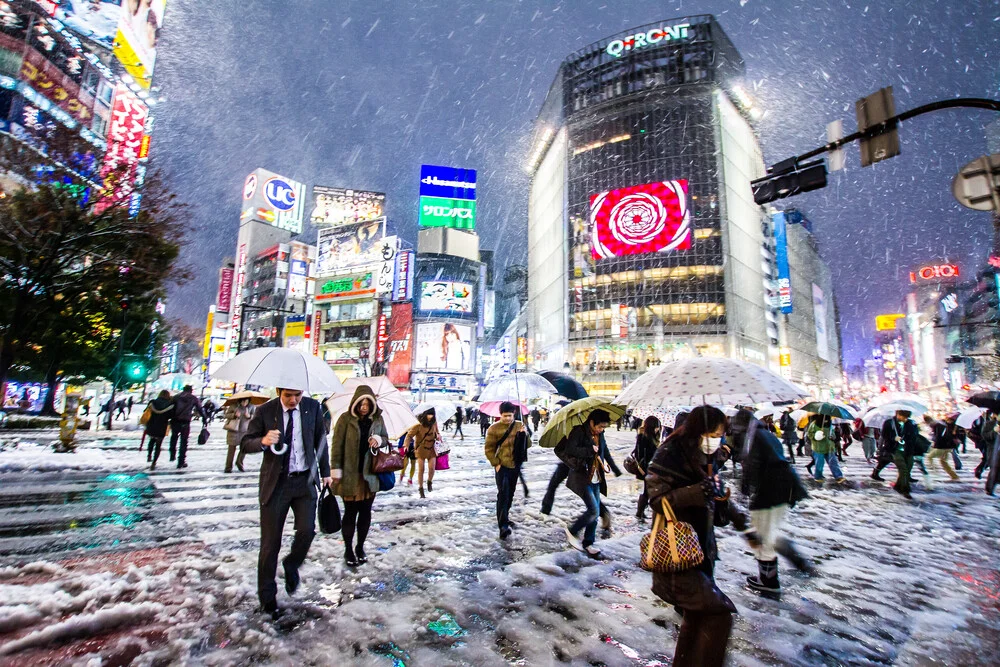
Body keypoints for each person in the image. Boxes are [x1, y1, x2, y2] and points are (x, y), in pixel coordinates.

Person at [645, 405, 746, 667]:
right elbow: (656, 499)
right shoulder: (670, 453)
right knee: (719, 614)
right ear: (698, 431)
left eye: (720, 434)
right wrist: (697, 491)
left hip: (701, 551)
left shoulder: (704, 458)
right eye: (712, 433)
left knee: (696, 617)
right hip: (678, 552)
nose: (716, 439)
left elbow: (713, 508)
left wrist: (721, 499)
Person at [241, 387, 331, 619]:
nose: (293, 400)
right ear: (280, 392)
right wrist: (262, 440)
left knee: (307, 530)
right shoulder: (265, 411)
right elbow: (245, 443)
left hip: (305, 482)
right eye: (288, 396)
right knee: (270, 544)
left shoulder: (312, 408)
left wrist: (326, 472)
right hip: (276, 484)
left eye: (297, 396)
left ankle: (292, 564)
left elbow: (321, 441)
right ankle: (267, 598)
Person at [731, 409, 811, 596]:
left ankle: (768, 580)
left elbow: (753, 464)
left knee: (762, 534)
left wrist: (745, 489)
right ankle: (791, 558)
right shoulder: (765, 432)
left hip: (768, 489)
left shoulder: (752, 436)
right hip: (783, 488)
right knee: (768, 531)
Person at [331, 386, 389, 567]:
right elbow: (336, 446)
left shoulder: (378, 420)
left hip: (369, 475)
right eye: (361, 403)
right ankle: (348, 549)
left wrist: (378, 440)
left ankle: (360, 547)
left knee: (365, 512)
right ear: (355, 403)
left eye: (367, 403)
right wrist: (336, 470)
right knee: (350, 513)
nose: (364, 407)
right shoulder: (345, 419)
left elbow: (386, 439)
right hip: (350, 474)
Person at [557, 409, 621, 559]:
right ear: (592, 422)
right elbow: (570, 449)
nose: (601, 430)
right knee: (593, 510)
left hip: (596, 476)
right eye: (600, 427)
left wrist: (614, 467)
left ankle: (588, 542)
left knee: (597, 511)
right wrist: (589, 450)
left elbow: (605, 451)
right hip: (582, 475)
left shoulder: (600, 434)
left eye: (604, 427)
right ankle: (573, 530)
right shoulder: (578, 431)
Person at [484, 401, 529, 540]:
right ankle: (502, 526)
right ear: (500, 415)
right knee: (503, 494)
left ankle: (506, 517)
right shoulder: (494, 428)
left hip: (515, 466)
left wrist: (524, 435)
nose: (508, 419)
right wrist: (496, 463)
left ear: (514, 414)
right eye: (505, 416)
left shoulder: (519, 425)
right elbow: (489, 449)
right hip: (502, 466)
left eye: (510, 416)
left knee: (510, 494)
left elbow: (527, 445)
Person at [880, 410, 919, 499]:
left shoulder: (911, 424)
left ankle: (898, 486)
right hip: (895, 449)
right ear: (897, 414)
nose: (904, 419)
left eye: (906, 417)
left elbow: (915, 436)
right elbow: (884, 435)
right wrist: (893, 438)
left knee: (908, 469)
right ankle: (905, 490)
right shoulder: (889, 423)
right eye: (902, 416)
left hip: (908, 450)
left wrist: (909, 430)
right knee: (903, 469)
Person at [405, 409, 440, 498]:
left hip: (432, 448)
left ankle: (429, 481)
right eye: (429, 414)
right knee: (421, 469)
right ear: (425, 414)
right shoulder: (418, 424)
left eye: (432, 415)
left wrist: (438, 436)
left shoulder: (434, 423)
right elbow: (409, 435)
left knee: (432, 468)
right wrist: (406, 445)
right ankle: (421, 488)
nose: (430, 417)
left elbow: (437, 432)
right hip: (420, 449)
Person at [169, 385, 206, 469]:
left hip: (175, 420)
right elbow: (200, 409)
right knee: (184, 442)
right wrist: (204, 418)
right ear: (191, 390)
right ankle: (181, 461)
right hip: (185, 421)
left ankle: (172, 453)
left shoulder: (176, 397)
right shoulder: (193, 398)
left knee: (174, 437)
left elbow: (170, 408)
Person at [633, 416, 661, 522]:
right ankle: (639, 512)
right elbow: (640, 453)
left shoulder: (652, 437)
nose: (658, 429)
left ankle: (640, 512)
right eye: (656, 427)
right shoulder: (643, 437)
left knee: (647, 490)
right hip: (646, 468)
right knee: (647, 491)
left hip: (650, 468)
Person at [806, 415, 845, 483]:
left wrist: (832, 437)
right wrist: (816, 436)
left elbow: (833, 435)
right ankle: (818, 476)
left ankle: (838, 476)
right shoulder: (814, 424)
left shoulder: (829, 425)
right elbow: (809, 434)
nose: (826, 420)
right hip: (818, 447)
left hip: (829, 447)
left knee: (833, 462)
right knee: (819, 463)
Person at [926, 414, 960, 484]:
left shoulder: (937, 426)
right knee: (944, 462)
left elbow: (939, 437)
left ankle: (934, 470)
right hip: (948, 446)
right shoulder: (941, 425)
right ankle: (954, 476)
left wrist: (935, 445)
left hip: (942, 447)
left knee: (929, 457)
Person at [223, 397, 254, 473]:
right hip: (233, 430)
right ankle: (228, 467)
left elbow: (255, 416)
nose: (244, 403)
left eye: (246, 401)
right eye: (243, 401)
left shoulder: (251, 407)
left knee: (244, 448)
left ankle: (239, 462)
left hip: (245, 430)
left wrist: (249, 416)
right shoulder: (234, 406)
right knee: (231, 450)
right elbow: (226, 415)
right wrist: (234, 415)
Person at [144, 390, 173, 470]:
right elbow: (171, 416)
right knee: (158, 445)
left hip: (151, 425)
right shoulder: (169, 404)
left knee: (151, 440)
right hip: (162, 426)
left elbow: (145, 412)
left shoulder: (152, 402)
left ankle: (149, 455)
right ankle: (154, 462)